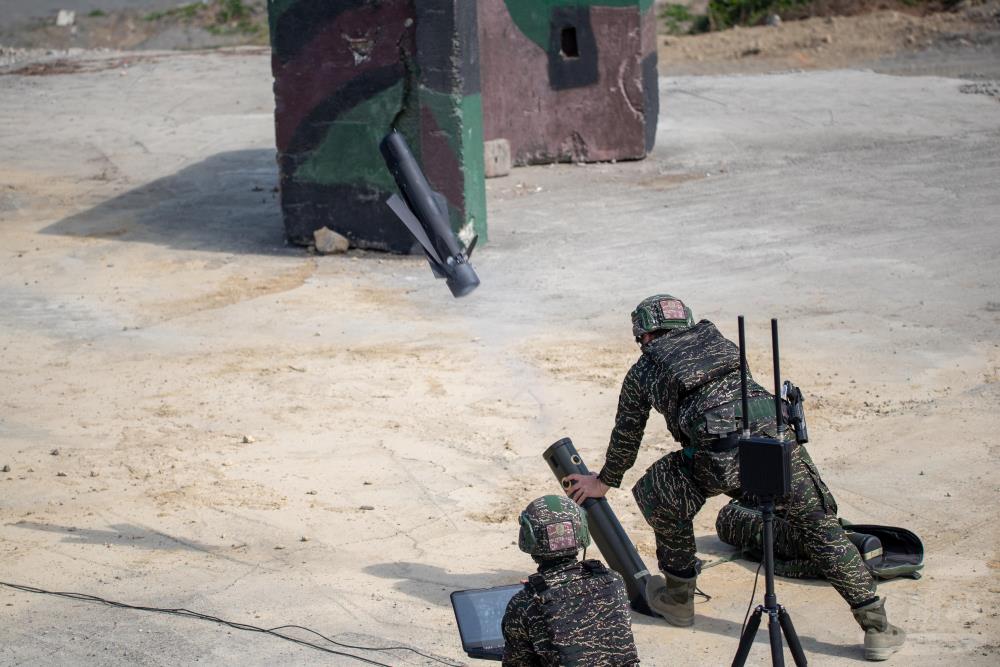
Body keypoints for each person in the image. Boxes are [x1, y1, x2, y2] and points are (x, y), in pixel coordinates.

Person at [566, 294, 905, 662]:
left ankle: (678, 598)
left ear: (645, 336)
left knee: (660, 490)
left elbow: (627, 433)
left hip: (716, 455)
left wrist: (604, 480)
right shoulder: (721, 344)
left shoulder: (644, 370)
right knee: (821, 528)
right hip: (776, 441)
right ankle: (876, 627)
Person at [501, 494, 640, 667]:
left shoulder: (524, 604)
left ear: (529, 537)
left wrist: (529, 599)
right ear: (580, 530)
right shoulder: (613, 581)